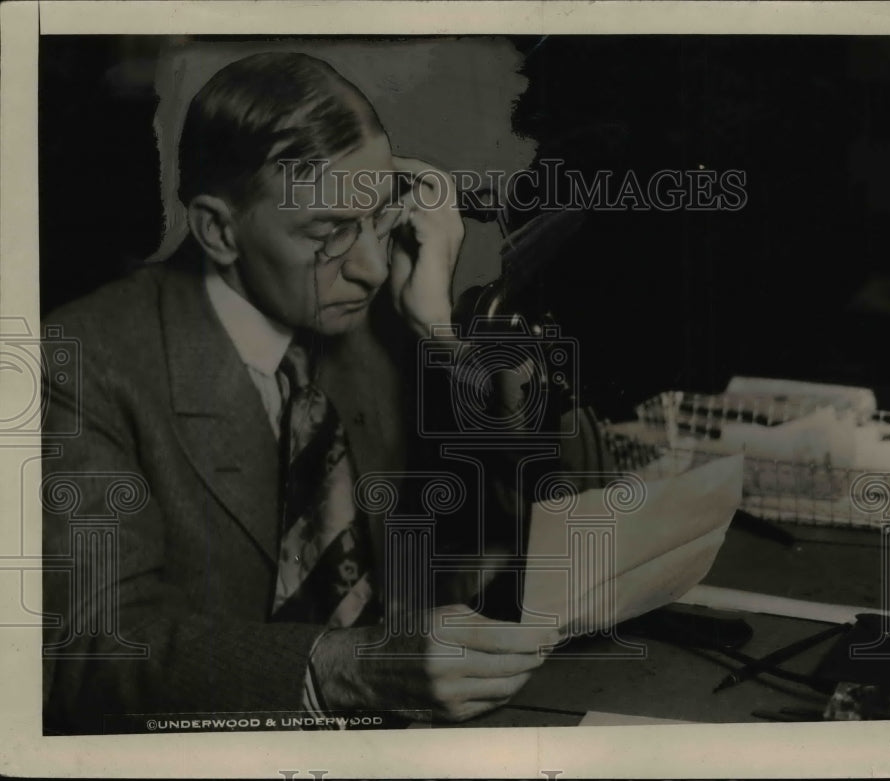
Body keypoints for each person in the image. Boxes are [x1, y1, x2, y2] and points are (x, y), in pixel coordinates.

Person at [41, 51, 562, 735]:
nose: (373, 267)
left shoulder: (382, 319)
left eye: (377, 216)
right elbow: (88, 652)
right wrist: (342, 667)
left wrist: (438, 332)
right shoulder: (79, 364)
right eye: (328, 232)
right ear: (219, 230)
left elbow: (510, 539)